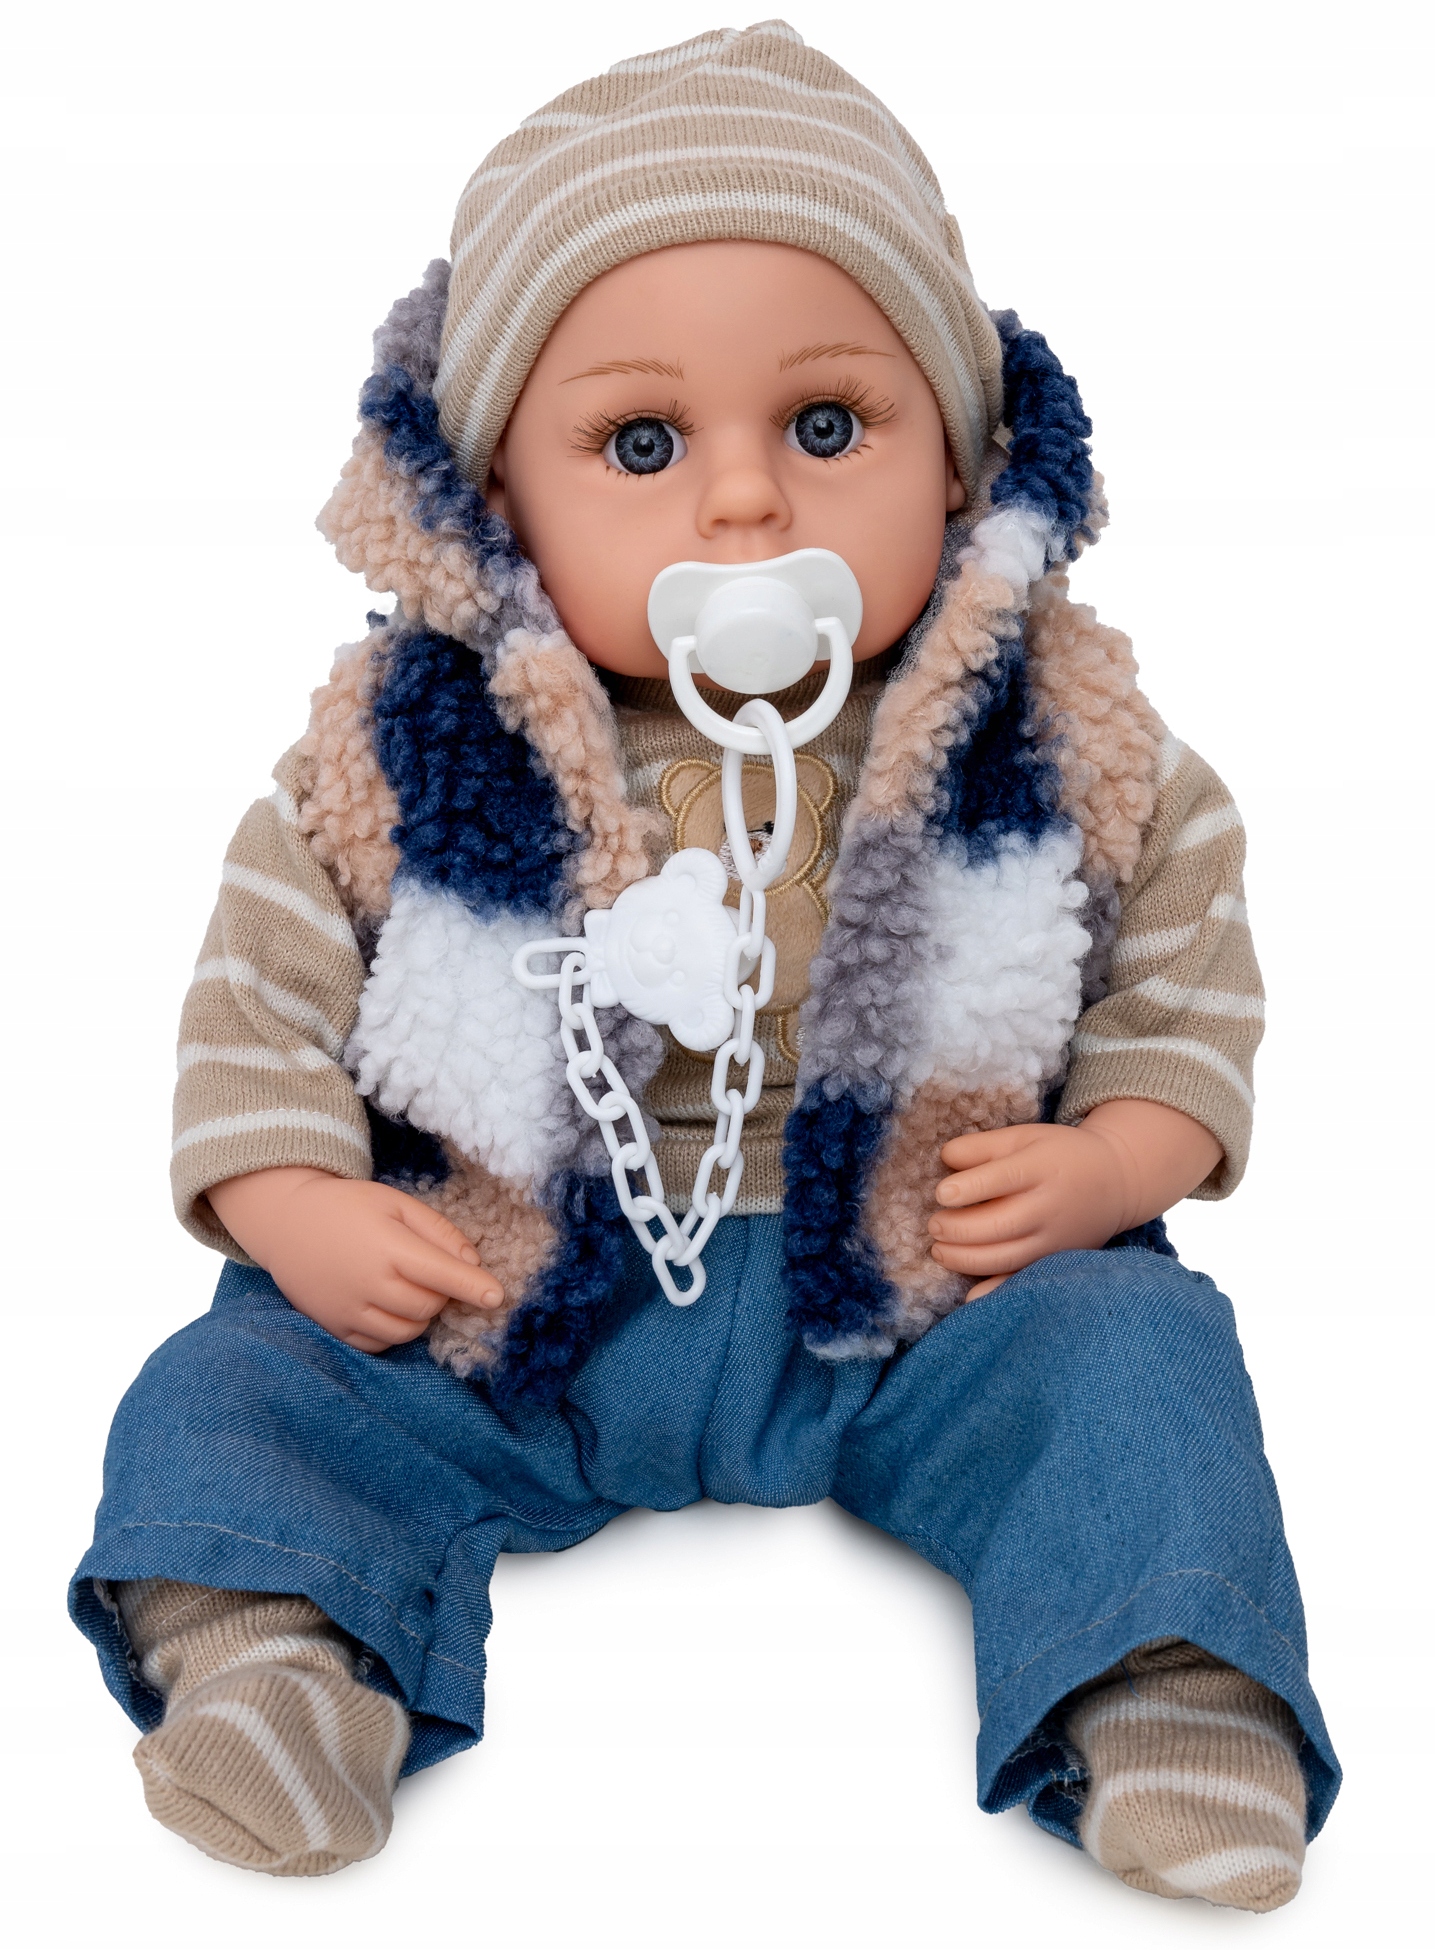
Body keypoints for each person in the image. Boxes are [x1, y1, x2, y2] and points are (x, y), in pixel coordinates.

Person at [71, 21, 1338, 1906]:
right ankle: (277, 1653)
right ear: (495, 497)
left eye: (827, 428)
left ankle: (1165, 1679)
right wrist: (292, 1202)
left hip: (925, 1295)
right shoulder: (402, 749)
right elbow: (256, 990)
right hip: (517, 1289)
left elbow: (1184, 963)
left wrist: (1117, 1161)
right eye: (642, 445)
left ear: (959, 456)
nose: (745, 505)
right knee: (243, 1377)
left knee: (1142, 1356)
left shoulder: (1057, 731)